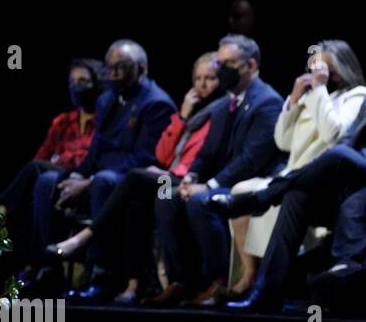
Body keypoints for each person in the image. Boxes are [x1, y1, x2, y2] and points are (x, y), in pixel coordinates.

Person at [48, 52, 225, 303]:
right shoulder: (193, 113)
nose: (202, 84)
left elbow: (208, 158)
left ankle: (85, 236)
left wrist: (172, 173)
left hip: (192, 182)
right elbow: (162, 154)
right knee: (136, 203)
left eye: (210, 78)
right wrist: (182, 118)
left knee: (134, 177)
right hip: (166, 182)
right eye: (198, 78)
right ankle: (135, 284)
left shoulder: (221, 112)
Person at [213, 40, 366, 304]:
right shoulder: (314, 96)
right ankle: (265, 291)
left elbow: (336, 138)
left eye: (326, 69)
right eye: (317, 70)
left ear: (341, 68)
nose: (321, 75)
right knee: (295, 194)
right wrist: (294, 100)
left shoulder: (358, 95)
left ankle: (264, 197)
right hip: (305, 179)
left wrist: (318, 89)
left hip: (341, 179)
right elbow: (282, 141)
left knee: (336, 154)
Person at [23, 39, 174, 295]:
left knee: (103, 180)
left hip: (126, 180)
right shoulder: (106, 100)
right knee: (48, 179)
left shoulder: (156, 104)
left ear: (139, 69)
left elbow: (145, 158)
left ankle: (101, 274)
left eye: (120, 67)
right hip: (98, 173)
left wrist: (89, 180)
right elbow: (96, 151)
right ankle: (48, 267)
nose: (112, 73)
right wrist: (78, 176)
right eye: (109, 67)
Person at [149, 35, 286, 306]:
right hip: (219, 180)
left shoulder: (267, 101)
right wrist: (192, 176)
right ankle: (183, 281)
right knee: (166, 195)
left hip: (252, 183)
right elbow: (208, 153)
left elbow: (250, 160)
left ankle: (218, 281)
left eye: (229, 63)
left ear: (250, 65)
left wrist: (208, 186)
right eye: (218, 62)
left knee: (202, 201)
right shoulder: (225, 103)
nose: (221, 69)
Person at [0, 58, 101, 274]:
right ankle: (37, 266)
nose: (76, 87)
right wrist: (53, 163)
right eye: (72, 81)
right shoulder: (63, 121)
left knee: (36, 170)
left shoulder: (103, 121)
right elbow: (43, 156)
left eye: (83, 81)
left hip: (82, 179)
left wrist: (61, 161)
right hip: (55, 178)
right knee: (38, 184)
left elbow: (91, 161)